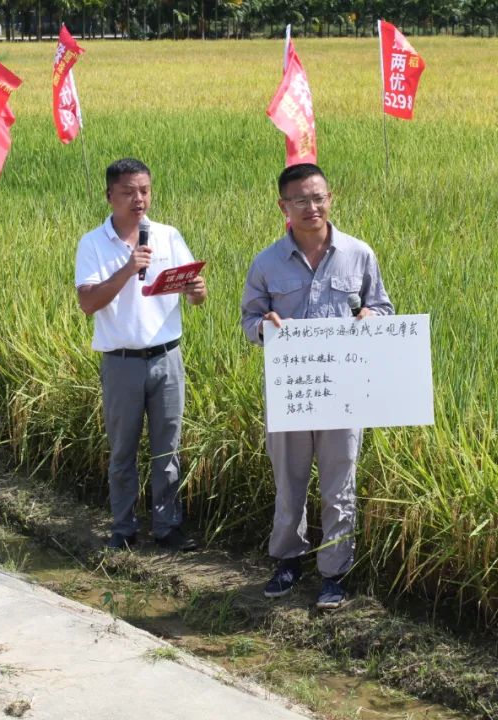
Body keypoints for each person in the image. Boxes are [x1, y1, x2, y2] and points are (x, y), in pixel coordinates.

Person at [240, 163, 393, 609]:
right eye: (301, 200)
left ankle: (334, 572)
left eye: (318, 197)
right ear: (283, 206)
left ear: (330, 198)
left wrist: (371, 317)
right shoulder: (267, 262)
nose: (312, 207)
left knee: (339, 483)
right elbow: (249, 320)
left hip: (344, 392)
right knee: (288, 482)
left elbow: (382, 307)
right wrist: (264, 326)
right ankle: (288, 560)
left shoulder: (358, 254)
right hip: (291, 391)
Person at [75, 158, 207, 552]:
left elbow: (193, 292)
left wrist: (197, 292)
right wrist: (127, 269)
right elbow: (87, 303)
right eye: (129, 192)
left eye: (145, 190)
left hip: (167, 357)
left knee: (168, 448)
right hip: (122, 362)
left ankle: (167, 527)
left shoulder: (167, 236)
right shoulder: (93, 243)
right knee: (123, 450)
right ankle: (124, 528)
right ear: (109, 195)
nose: (139, 199)